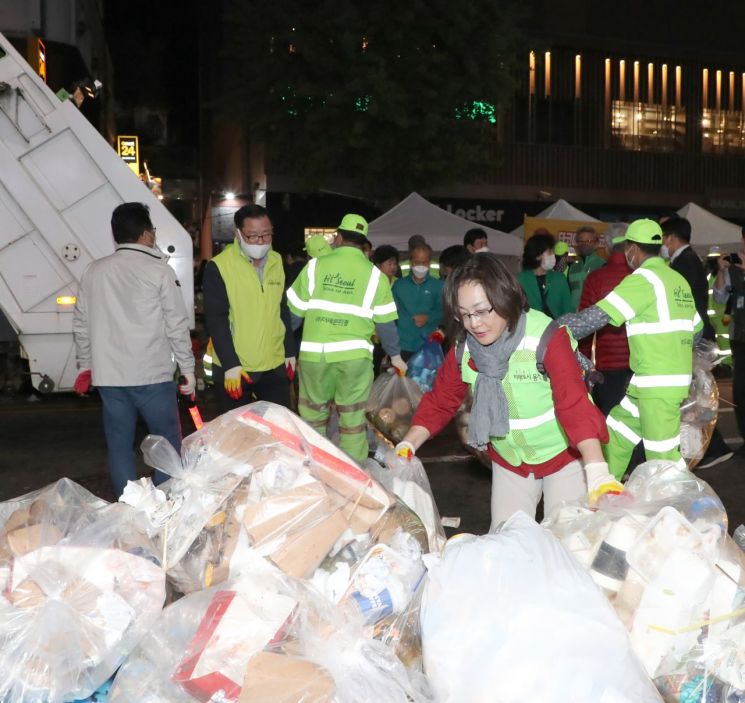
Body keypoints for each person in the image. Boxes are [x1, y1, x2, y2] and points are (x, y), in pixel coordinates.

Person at [394, 254, 616, 528]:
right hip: (510, 460)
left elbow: (573, 403)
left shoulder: (545, 337)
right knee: (506, 542)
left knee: (568, 540)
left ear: (504, 298)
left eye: (482, 310)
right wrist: (407, 444)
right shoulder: (464, 348)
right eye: (464, 315)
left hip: (563, 456)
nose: (474, 324)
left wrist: (596, 471)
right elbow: (441, 401)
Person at [558, 219, 702, 479]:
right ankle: (605, 488)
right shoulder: (676, 280)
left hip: (657, 384)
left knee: (664, 460)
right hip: (652, 381)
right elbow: (697, 330)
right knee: (617, 432)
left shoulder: (642, 280)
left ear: (632, 249)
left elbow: (594, 318)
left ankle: (680, 513)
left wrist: (554, 329)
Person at [72, 202, 195, 497]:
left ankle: (130, 506)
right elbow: (176, 325)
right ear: (145, 235)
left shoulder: (93, 271)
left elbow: (81, 323)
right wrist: (188, 370)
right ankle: (165, 501)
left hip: (111, 378)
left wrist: (85, 365)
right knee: (167, 443)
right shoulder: (159, 272)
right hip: (152, 375)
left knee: (119, 446)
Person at [288, 214, 407, 463]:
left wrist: (287, 349)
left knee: (312, 419)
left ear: (338, 237)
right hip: (354, 359)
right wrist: (395, 356)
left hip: (314, 357)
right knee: (352, 422)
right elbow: (386, 323)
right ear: (364, 244)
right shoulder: (375, 276)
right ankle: (354, 477)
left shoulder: (314, 266)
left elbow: (293, 315)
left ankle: (314, 470)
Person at [203, 204, 295, 413]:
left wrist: (289, 350)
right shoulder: (219, 266)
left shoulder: (277, 261)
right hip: (238, 370)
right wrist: (230, 364)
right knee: (239, 436)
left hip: (274, 365)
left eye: (266, 235)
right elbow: (217, 320)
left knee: (278, 431)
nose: (261, 242)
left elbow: (282, 309)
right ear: (238, 233)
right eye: (253, 236)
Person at [661, 217, 732, 467]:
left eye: (662, 237)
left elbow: (688, 304)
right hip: (696, 336)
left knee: (694, 398)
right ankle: (707, 448)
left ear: (670, 238)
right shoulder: (687, 260)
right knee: (693, 398)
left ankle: (711, 448)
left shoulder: (684, 263)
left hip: (694, 339)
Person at [577, 224, 632, 415]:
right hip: (641, 363)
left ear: (606, 248)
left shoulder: (596, 278)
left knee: (611, 422)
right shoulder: (641, 276)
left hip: (608, 365)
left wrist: (584, 366)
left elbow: (583, 328)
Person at [713, 232, 745, 454]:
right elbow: (719, 297)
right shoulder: (734, 268)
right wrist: (723, 271)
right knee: (741, 391)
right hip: (740, 337)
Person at [392, 242, 445, 360]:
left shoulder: (439, 286)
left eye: (425, 262)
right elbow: (391, 314)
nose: (421, 266)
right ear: (411, 262)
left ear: (430, 262)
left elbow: (445, 313)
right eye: (417, 262)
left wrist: (428, 318)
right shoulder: (399, 285)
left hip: (429, 345)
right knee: (402, 379)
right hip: (402, 345)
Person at [517, 233, 573, 319]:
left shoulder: (559, 279)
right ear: (538, 256)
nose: (553, 254)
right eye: (550, 251)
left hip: (556, 329)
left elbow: (568, 310)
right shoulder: (520, 280)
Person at [567, 225, 605, 310]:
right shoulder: (573, 267)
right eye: (581, 241)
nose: (584, 244)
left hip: (593, 316)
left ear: (596, 244)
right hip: (573, 316)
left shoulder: (602, 265)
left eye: (588, 241)